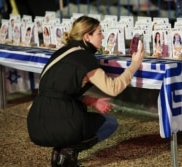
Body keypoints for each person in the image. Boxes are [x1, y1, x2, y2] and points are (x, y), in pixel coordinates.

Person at [27, 15, 144, 167]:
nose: (103, 37)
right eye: (99, 33)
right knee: (109, 123)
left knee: (80, 120)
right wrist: (135, 64)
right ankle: (68, 150)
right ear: (87, 37)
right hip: (59, 123)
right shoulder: (84, 58)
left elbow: (61, 91)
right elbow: (113, 88)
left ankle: (61, 151)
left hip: (36, 124)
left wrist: (92, 101)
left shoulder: (61, 52)